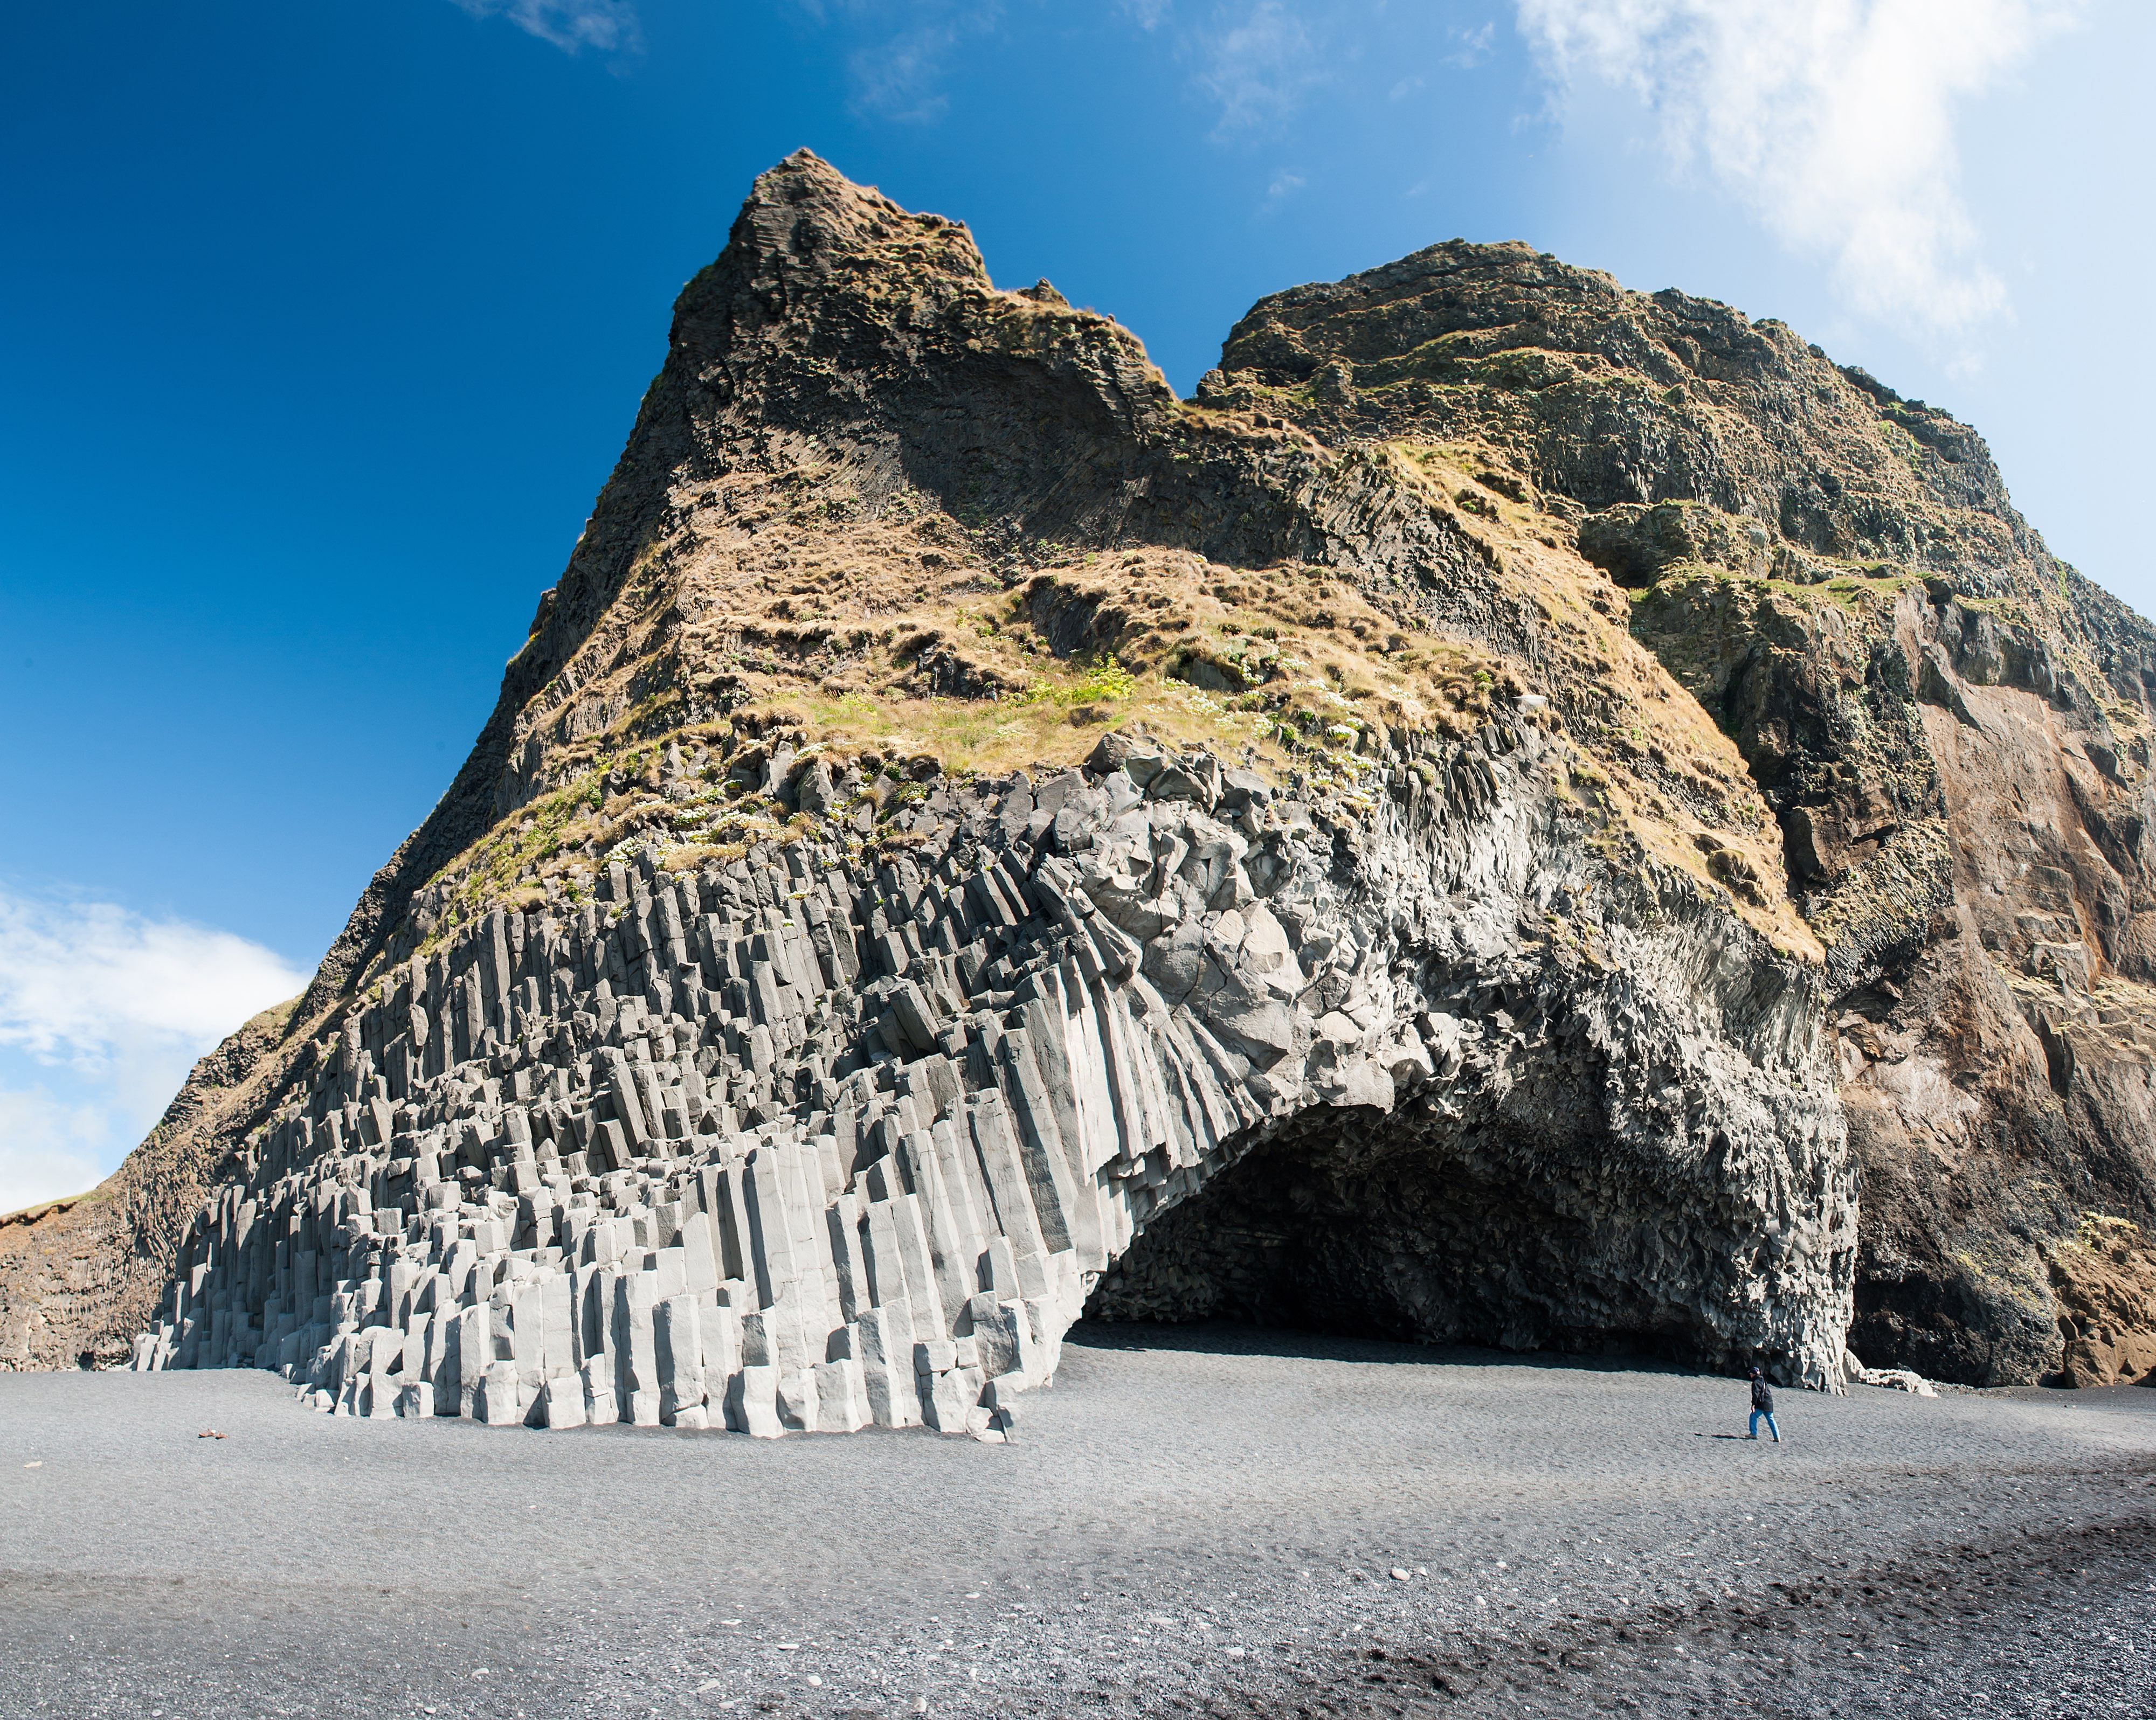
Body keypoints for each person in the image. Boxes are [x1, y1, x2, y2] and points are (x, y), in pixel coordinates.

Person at [1746, 1365, 1780, 1442]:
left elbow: (1756, 1394)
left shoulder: (1756, 1382)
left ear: (1753, 1374)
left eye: (1751, 1374)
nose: (1750, 1375)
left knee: (1753, 1416)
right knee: (1771, 1420)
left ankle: (1753, 1434)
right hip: (1769, 1403)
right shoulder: (1763, 1380)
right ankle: (1777, 1437)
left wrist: (1753, 1405)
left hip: (1762, 1404)